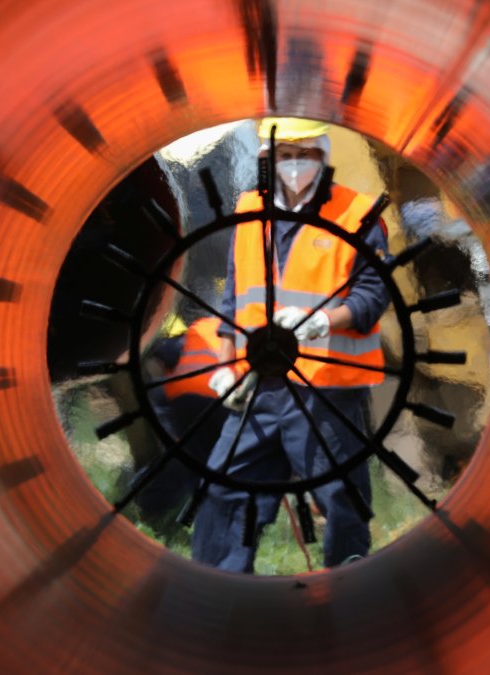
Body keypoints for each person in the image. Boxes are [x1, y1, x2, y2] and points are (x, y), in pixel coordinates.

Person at [191, 117, 391, 573]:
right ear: (267, 159)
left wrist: (320, 320)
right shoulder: (249, 210)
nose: (296, 165)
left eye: (307, 155)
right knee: (224, 487)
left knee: (340, 499)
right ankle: (217, 592)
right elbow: (235, 296)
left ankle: (349, 593)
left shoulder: (357, 214)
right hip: (258, 386)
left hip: (326, 388)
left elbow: (373, 295)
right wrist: (226, 368)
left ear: (323, 156)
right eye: (286, 156)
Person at [134, 315, 229, 518]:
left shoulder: (199, 328)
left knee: (184, 459)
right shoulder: (245, 332)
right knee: (204, 463)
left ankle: (149, 508)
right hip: (223, 406)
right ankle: (199, 515)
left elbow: (156, 363)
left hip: (183, 400)